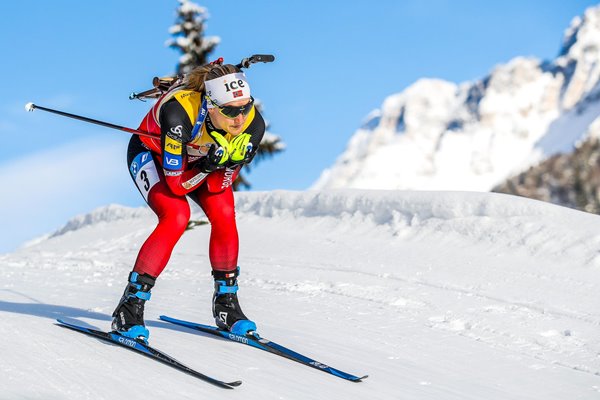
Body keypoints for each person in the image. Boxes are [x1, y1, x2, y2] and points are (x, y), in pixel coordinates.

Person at [111, 63, 265, 342]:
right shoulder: (178, 113)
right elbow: (177, 186)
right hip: (153, 156)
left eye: (245, 107)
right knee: (176, 215)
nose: (240, 118)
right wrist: (207, 165)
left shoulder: (254, 124)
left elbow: (220, 186)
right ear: (211, 104)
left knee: (224, 211)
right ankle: (129, 306)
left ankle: (226, 306)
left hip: (196, 164)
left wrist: (230, 162)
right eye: (230, 111)